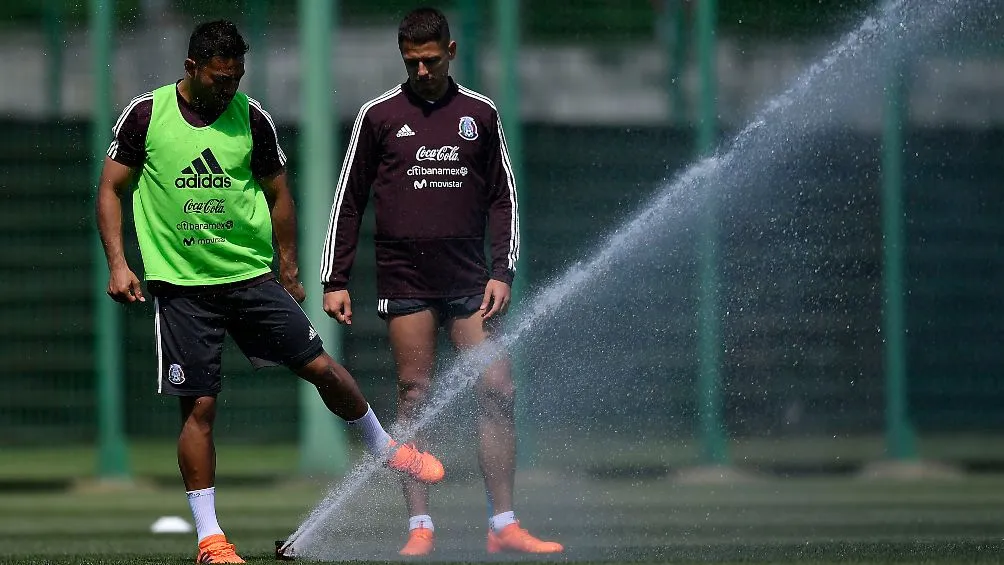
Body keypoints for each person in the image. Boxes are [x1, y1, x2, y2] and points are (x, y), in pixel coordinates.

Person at [95, 20, 444, 564]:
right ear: (191, 68)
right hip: (182, 287)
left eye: (236, 77)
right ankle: (210, 539)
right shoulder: (146, 115)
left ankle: (386, 448)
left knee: (322, 367)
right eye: (219, 78)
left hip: (250, 277)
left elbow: (279, 194)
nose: (229, 88)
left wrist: (289, 267)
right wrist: (119, 265)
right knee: (199, 407)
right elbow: (111, 189)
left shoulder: (252, 118)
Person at [320, 7, 562, 556]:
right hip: (406, 278)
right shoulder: (378, 115)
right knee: (415, 394)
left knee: (498, 386)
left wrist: (502, 270)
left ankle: (503, 523)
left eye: (430, 60)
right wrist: (335, 278)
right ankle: (420, 526)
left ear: (451, 52)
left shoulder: (480, 112)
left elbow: (503, 196)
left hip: (469, 279)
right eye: (412, 62)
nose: (422, 71)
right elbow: (348, 200)